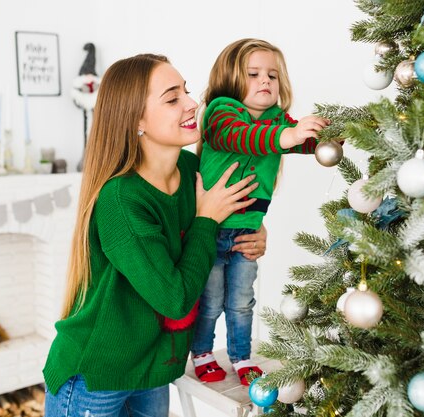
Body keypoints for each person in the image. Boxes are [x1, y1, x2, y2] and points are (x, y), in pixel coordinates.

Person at [43, 53, 268, 417]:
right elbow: (174, 298)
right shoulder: (121, 198)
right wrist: (208, 219)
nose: (192, 104)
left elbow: (236, 211)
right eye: (172, 97)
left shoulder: (193, 169)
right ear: (136, 120)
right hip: (96, 378)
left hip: (154, 368)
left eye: (186, 91)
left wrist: (256, 233)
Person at [191, 38, 330, 385]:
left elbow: (299, 139)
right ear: (231, 79)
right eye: (253, 74)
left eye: (272, 75)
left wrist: (327, 139)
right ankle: (203, 353)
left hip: (248, 232)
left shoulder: (277, 120)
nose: (265, 81)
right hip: (208, 231)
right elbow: (244, 138)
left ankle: (241, 357)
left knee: (241, 302)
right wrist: (288, 135)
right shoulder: (220, 112)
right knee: (209, 302)